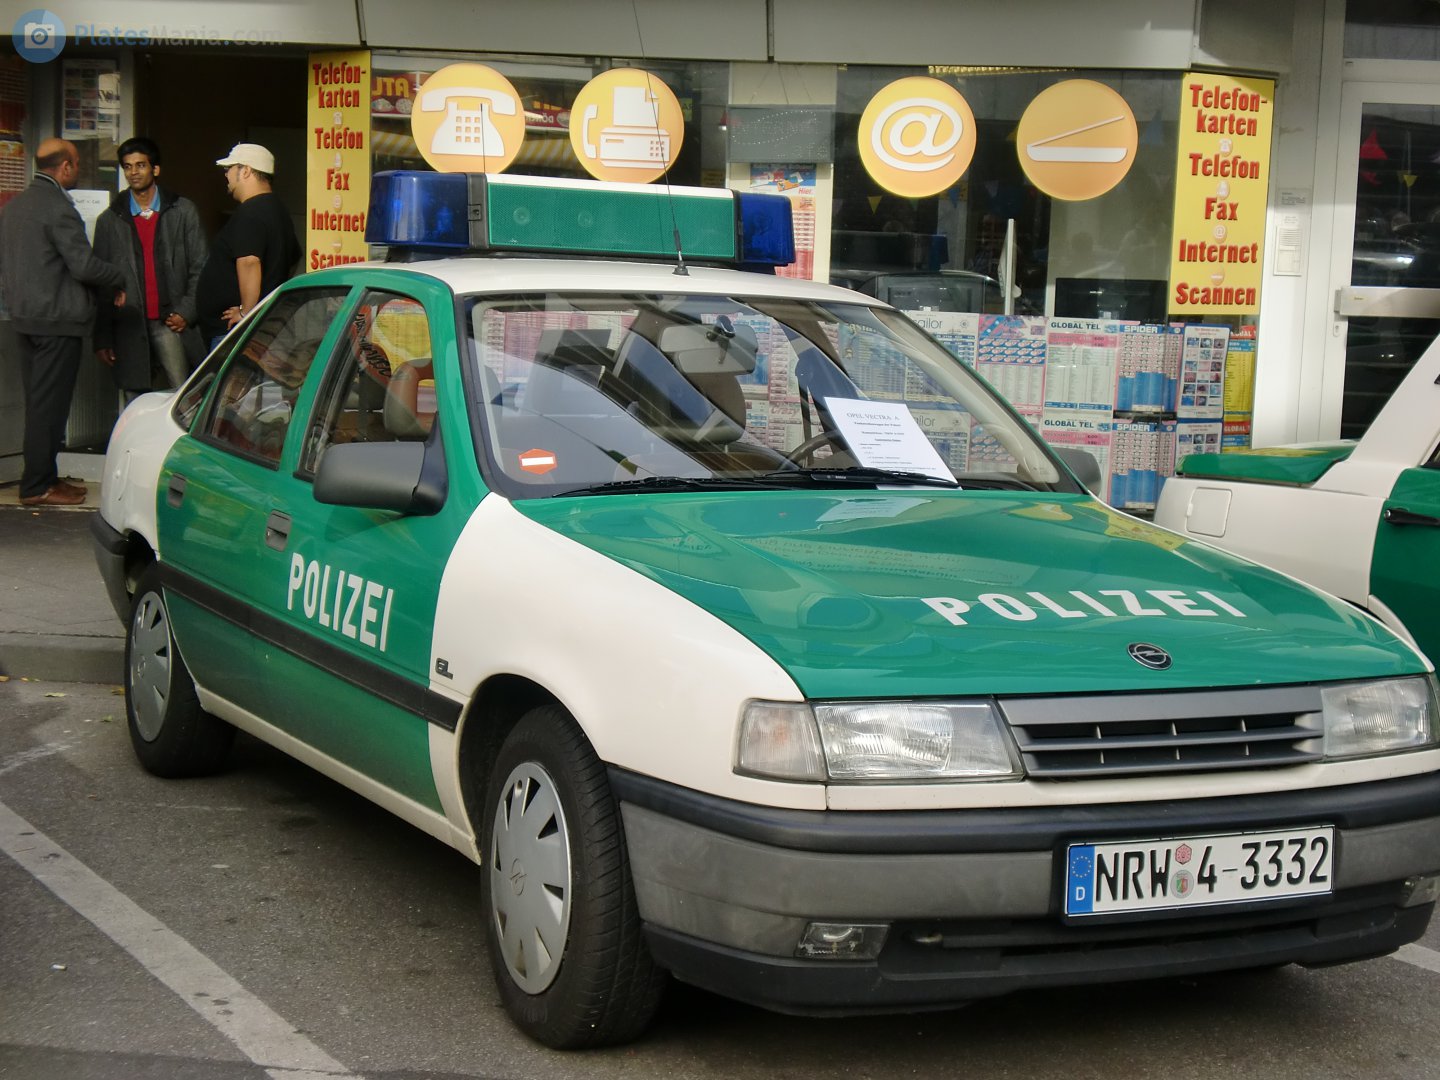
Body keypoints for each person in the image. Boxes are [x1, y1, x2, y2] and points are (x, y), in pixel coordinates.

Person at [0, 138, 125, 507]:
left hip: (26, 319)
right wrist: (118, 277)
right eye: (77, 164)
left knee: (40, 404)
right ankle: (38, 485)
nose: (80, 169)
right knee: (50, 407)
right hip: (56, 322)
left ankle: (44, 478)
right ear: (66, 167)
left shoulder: (14, 207)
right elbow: (83, 265)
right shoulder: (58, 208)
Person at [92, 137, 208, 401]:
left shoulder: (182, 211)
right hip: (129, 325)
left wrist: (187, 312)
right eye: (128, 166)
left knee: (183, 397)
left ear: (155, 169)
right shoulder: (110, 220)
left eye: (140, 165)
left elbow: (200, 265)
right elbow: (102, 284)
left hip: (171, 322)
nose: (134, 172)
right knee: (135, 402)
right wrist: (102, 337)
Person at [195, 142, 300, 348]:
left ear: (246, 171)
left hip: (236, 333)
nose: (226, 175)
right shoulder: (277, 209)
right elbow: (294, 257)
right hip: (261, 326)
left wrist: (246, 312)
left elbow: (249, 262)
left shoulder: (250, 213)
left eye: (229, 169)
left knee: (234, 381)